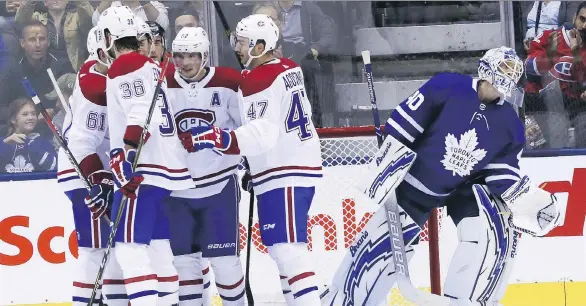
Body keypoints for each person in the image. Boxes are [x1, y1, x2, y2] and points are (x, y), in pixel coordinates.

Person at [322, 47, 561, 305]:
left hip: (463, 188)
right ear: (487, 68)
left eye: (513, 74)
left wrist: (529, 199)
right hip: (414, 185)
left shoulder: (510, 123)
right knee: (380, 251)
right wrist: (392, 153)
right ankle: (343, 298)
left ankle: (465, 300)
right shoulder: (448, 86)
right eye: (504, 69)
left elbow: (502, 175)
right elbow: (404, 123)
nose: (508, 78)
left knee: (484, 233)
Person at [180, 14, 322, 305]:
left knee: (288, 249)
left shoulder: (259, 78)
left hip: (284, 170)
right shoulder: (288, 67)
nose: (238, 48)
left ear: (261, 45)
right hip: (286, 166)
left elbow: (261, 135)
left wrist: (212, 137)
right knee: (281, 250)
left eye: (244, 43)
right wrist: (250, 165)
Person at [97, 6, 194, 305]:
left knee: (129, 248)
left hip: (142, 170)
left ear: (109, 37)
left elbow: (140, 114)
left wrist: (124, 156)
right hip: (164, 170)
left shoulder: (124, 65)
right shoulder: (152, 65)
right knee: (158, 247)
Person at [165, 26, 245, 305]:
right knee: (184, 263)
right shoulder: (162, 85)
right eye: (178, 56)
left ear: (205, 55)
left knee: (225, 263)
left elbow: (246, 129)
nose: (184, 62)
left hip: (219, 185)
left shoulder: (229, 82)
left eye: (191, 56)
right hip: (176, 191)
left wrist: (250, 164)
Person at [55, 26, 124, 306]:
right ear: (100, 52)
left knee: (115, 247)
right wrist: (99, 177)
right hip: (86, 171)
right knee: (95, 249)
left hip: (104, 171)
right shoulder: (94, 83)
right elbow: (83, 141)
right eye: (115, 49)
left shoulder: (106, 74)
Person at [0, 97, 56, 173]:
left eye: (33, 114)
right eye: (25, 114)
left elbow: (55, 167)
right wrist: (4, 145)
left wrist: (30, 144)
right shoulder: (3, 142)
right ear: (13, 119)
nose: (31, 117)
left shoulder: (44, 142)